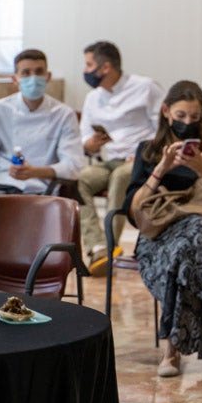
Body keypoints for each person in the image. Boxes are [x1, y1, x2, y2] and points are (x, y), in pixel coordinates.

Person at [121, 80, 202, 378]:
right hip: (157, 238)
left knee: (195, 232)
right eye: (180, 116)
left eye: (194, 118)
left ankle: (172, 352)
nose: (187, 123)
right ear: (166, 111)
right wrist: (160, 169)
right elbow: (132, 211)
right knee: (191, 239)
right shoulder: (148, 151)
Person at [77, 40, 164, 274]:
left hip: (139, 161)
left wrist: (146, 154)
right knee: (80, 179)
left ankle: (109, 246)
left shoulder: (145, 87)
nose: (85, 70)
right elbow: (85, 136)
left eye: (88, 65)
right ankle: (96, 246)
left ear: (105, 67)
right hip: (110, 159)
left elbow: (163, 128)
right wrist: (92, 143)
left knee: (120, 178)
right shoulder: (93, 98)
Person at [0, 49, 86, 198]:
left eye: (39, 72)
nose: (33, 79)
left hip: (41, 192)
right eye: (26, 73)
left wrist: (35, 172)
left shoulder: (63, 114)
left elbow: (74, 165)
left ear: (48, 77)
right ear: (15, 79)